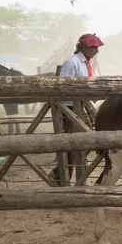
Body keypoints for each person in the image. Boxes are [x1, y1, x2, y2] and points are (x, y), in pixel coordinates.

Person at [48, 33, 104, 183]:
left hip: (80, 107)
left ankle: (61, 175)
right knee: (75, 144)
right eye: (93, 47)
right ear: (84, 47)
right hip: (70, 109)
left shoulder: (85, 64)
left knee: (84, 142)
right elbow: (63, 87)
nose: (96, 51)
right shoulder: (72, 62)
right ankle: (60, 176)